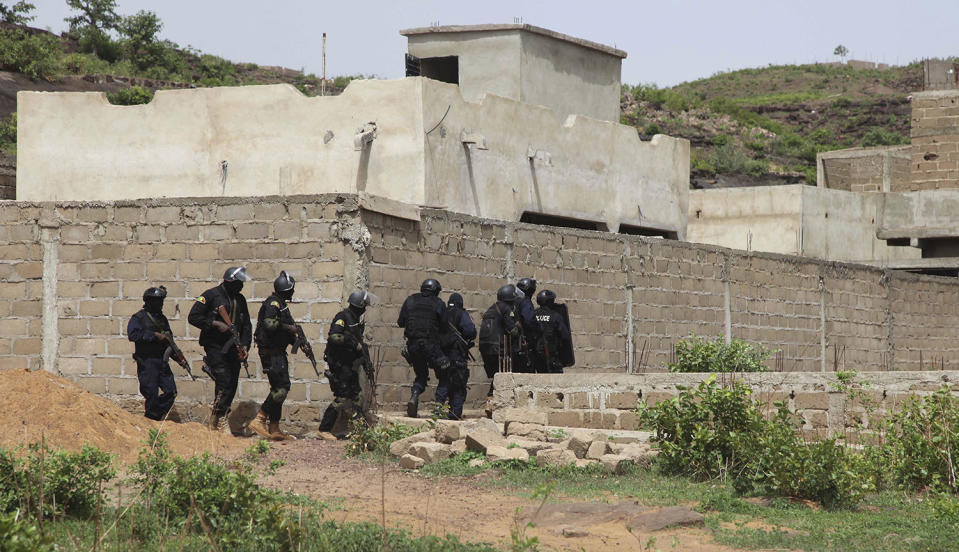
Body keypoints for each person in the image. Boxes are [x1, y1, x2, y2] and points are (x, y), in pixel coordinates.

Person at [188, 266, 252, 434]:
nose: (241, 287)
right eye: (238, 283)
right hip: (215, 346)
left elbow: (246, 325)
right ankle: (221, 418)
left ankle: (216, 419)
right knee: (223, 378)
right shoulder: (211, 295)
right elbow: (193, 317)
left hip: (234, 347)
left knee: (232, 382)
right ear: (229, 281)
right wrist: (216, 324)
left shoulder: (240, 299)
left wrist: (245, 345)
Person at [249, 270, 306, 441]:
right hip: (271, 353)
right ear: (285, 290)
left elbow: (282, 329)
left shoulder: (281, 304)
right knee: (282, 388)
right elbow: (269, 324)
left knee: (278, 388)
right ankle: (259, 419)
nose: (293, 292)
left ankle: (274, 428)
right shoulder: (273, 303)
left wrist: (299, 342)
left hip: (277, 352)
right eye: (291, 289)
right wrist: (290, 329)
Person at [318, 290, 374, 440]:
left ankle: (359, 431)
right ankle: (324, 429)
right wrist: (354, 344)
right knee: (342, 397)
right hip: (339, 363)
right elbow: (334, 337)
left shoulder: (355, 320)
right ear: (359, 305)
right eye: (364, 306)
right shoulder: (343, 317)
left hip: (349, 365)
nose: (365, 309)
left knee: (357, 396)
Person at [397, 278, 450, 418]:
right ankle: (438, 409)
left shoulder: (410, 301)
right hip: (431, 345)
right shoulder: (439, 304)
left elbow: (400, 322)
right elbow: (445, 327)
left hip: (413, 346)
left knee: (421, 375)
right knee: (445, 374)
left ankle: (414, 395)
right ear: (436, 291)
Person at [127, 286, 178, 420]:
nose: (160, 304)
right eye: (157, 301)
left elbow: (169, 340)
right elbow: (133, 335)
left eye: (161, 301)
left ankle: (153, 417)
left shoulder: (162, 319)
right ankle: (151, 421)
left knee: (171, 391)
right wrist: (154, 336)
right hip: (147, 361)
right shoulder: (139, 318)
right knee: (151, 394)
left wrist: (178, 357)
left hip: (162, 361)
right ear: (149, 301)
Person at [478, 284, 522, 417]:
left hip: (485, 348)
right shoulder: (506, 309)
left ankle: (491, 402)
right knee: (501, 376)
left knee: (495, 376)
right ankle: (491, 403)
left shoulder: (491, 308)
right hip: (498, 348)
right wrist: (519, 326)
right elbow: (512, 330)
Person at [437, 292, 476, 420]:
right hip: (457, 356)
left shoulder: (442, 314)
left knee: (443, 383)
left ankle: (436, 412)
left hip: (442, 355)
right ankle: (454, 414)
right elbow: (471, 331)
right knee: (458, 386)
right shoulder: (461, 313)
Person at [531, 290, 571, 374]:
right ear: (550, 302)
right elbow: (565, 335)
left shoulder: (533, 314)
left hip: (536, 355)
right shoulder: (555, 316)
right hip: (551, 355)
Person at [514, 278, 539, 373]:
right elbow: (529, 321)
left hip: (511, 346)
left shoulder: (512, 300)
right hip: (523, 346)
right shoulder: (525, 301)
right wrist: (538, 330)